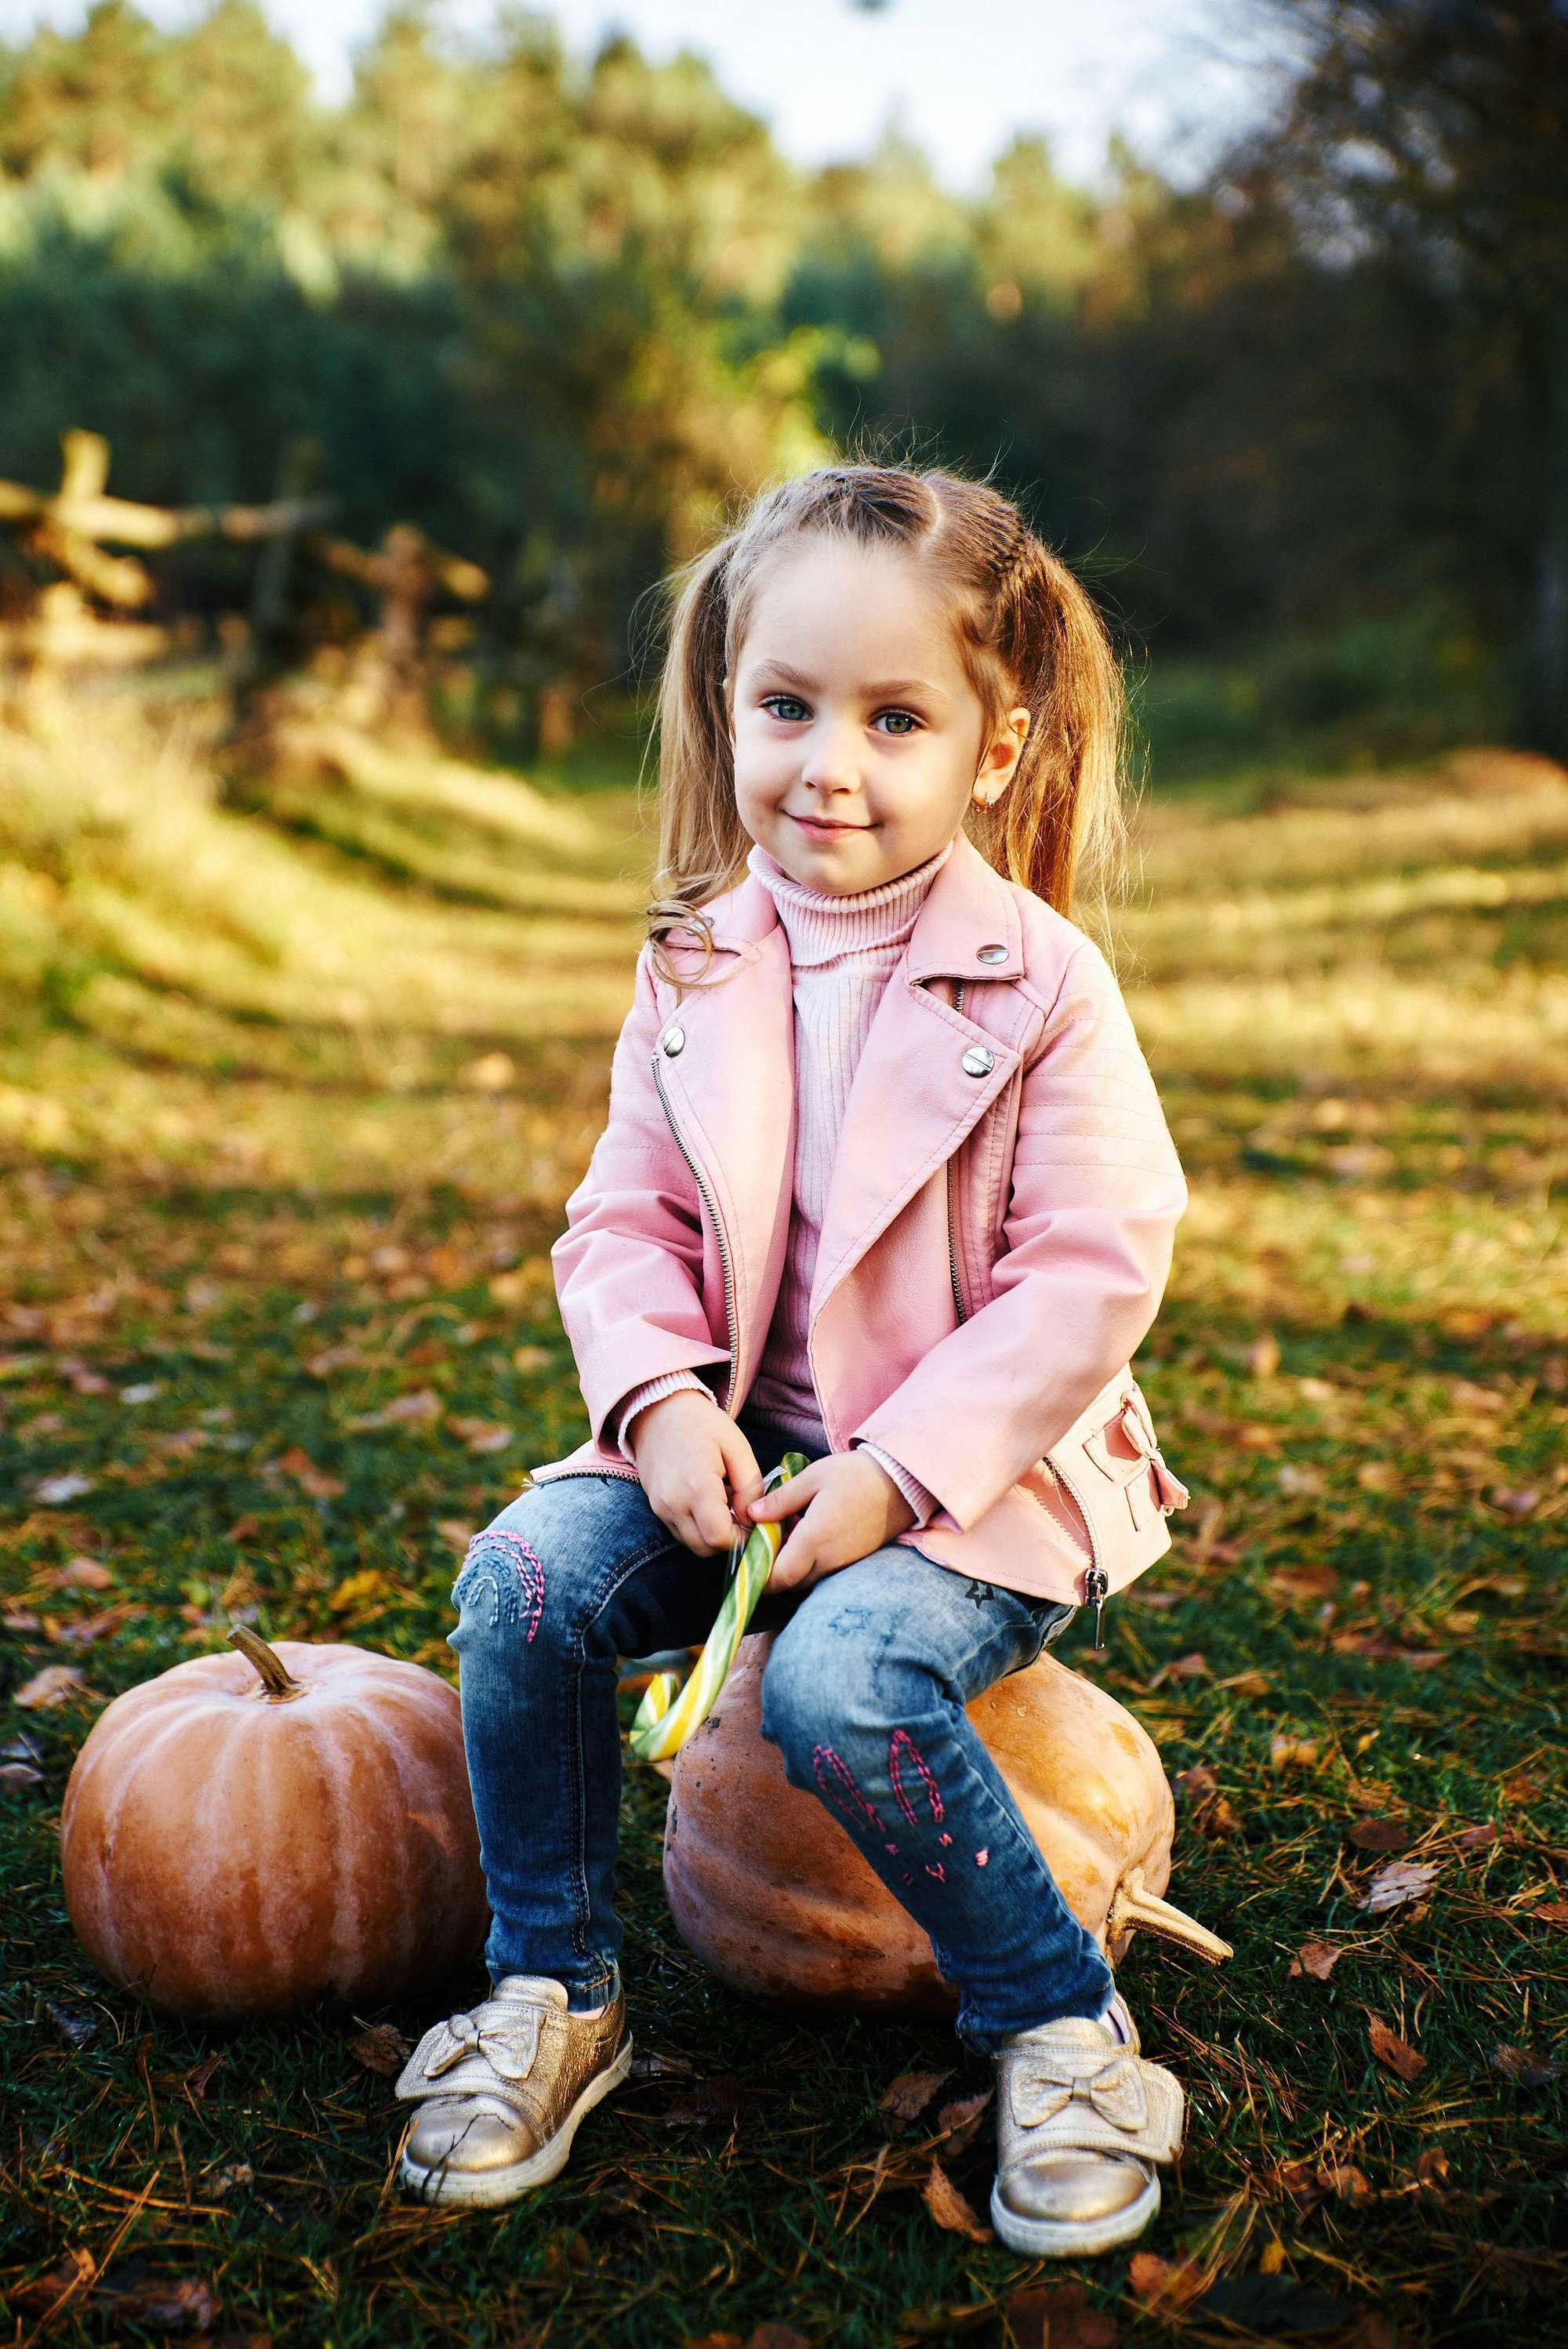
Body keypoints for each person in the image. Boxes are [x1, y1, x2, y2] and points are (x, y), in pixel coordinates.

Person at [393, 464, 1192, 2258]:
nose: (827, 762)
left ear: (991, 748)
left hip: (965, 1486)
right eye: (787, 706)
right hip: (736, 1445)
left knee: (841, 1683)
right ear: (727, 702)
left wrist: (900, 1475)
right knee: (522, 1586)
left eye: (892, 717)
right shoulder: (694, 961)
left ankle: (1060, 2026)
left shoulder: (1039, 982)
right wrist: (663, 1400)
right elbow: (626, 1219)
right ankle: (554, 1986)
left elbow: (1095, 1261)